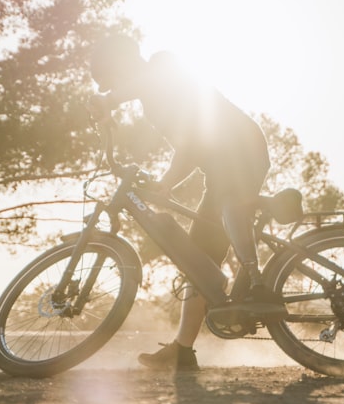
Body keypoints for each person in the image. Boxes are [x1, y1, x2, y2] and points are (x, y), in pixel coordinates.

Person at [89, 34, 284, 371]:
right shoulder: (154, 100)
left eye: (111, 77)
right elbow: (189, 146)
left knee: (202, 252)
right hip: (225, 166)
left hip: (239, 157)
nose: (114, 85)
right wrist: (165, 182)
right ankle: (182, 351)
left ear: (121, 64)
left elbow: (186, 129)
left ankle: (256, 284)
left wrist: (111, 100)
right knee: (200, 260)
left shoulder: (162, 66)